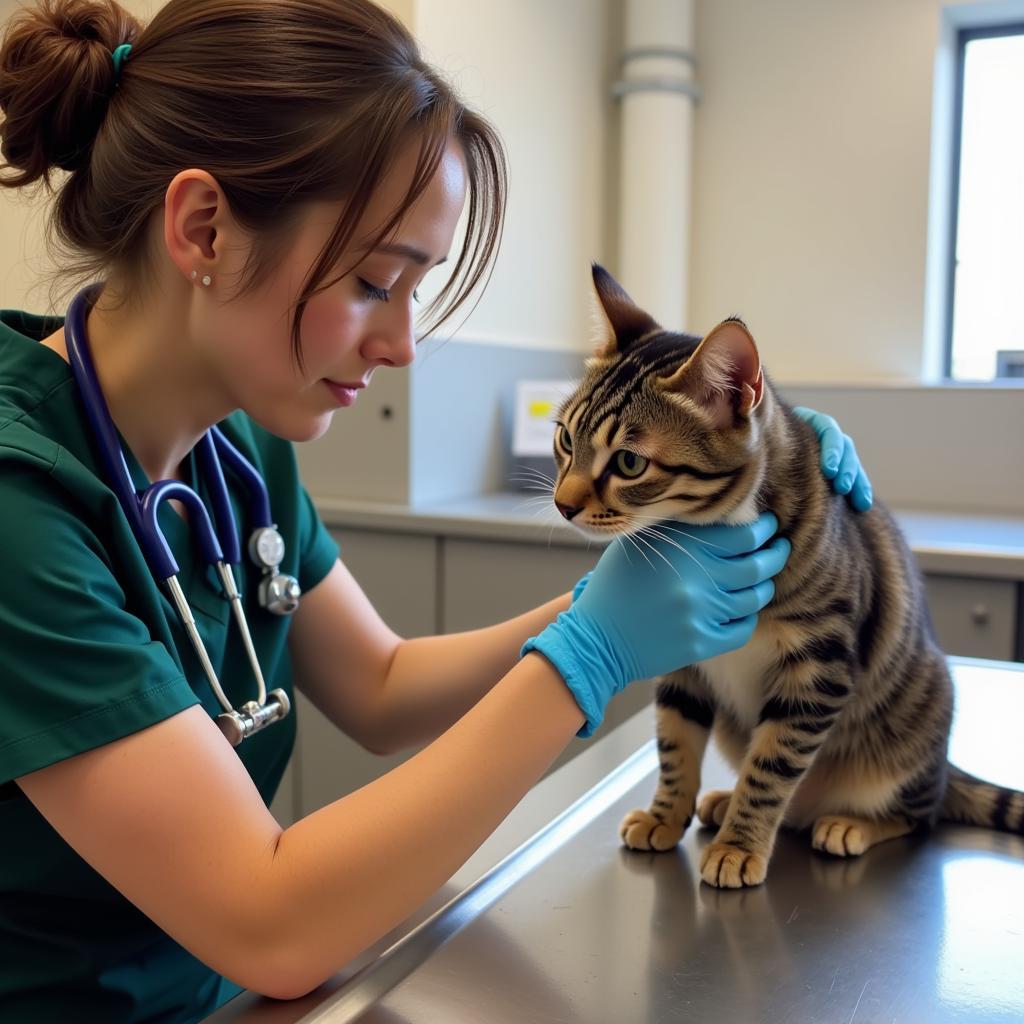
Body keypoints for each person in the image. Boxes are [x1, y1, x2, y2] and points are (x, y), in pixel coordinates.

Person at [0, 0, 872, 1019]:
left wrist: (602, 605)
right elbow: (272, 922)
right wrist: (584, 658)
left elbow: (378, 685)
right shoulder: (22, 507)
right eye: (378, 281)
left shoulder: (233, 446)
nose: (402, 345)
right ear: (202, 229)